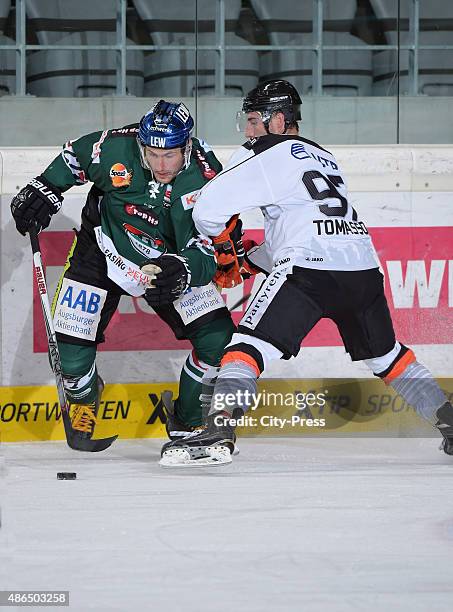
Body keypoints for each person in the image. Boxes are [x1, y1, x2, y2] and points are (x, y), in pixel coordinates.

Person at [160, 80, 453, 466]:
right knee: (386, 357)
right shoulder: (324, 156)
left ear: (278, 120)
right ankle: (447, 419)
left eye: (252, 121)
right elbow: (304, 225)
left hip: (309, 272)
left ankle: (218, 428)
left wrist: (226, 254)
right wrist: (253, 261)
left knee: (245, 347)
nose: (248, 131)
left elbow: (206, 211)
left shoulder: (263, 152)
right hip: (362, 268)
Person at [10, 100, 235, 446]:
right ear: (141, 144)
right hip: (101, 249)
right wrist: (45, 187)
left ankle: (188, 421)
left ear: (187, 146)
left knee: (217, 339)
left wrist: (183, 268)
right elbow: (74, 157)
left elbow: (207, 250)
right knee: (71, 357)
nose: (161, 164)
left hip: (166, 262)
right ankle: (84, 400)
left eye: (170, 155)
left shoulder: (205, 178)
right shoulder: (115, 145)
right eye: (152, 154)